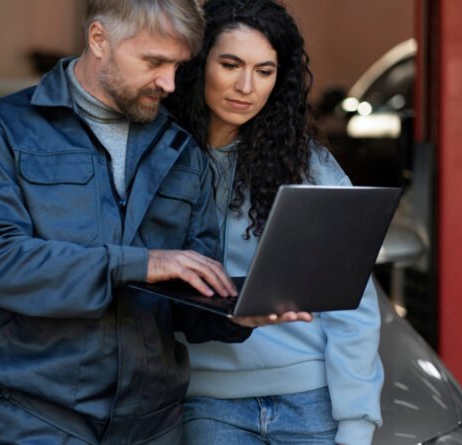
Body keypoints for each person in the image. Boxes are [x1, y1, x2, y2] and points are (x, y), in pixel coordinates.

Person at [0, 1, 309, 443]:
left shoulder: (181, 150)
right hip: (37, 420)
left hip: (153, 426)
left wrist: (236, 314)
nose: (169, 83)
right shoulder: (4, 130)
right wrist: (141, 263)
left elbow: (187, 307)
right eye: (154, 62)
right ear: (99, 39)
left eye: (178, 65)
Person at [165, 0, 384, 443]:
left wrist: (357, 421)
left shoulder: (309, 166)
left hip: (310, 401)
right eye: (230, 64)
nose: (246, 86)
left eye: (264, 71)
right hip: (207, 402)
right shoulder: (157, 160)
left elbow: (352, 302)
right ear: (197, 63)